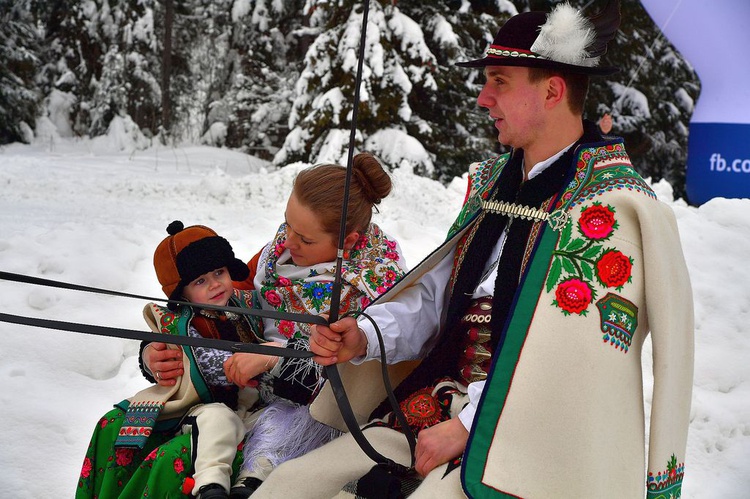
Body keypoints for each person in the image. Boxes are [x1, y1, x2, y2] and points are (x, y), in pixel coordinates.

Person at [254, 2, 694, 498]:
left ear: (551, 90)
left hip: (528, 444)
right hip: (436, 407)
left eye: (500, 81)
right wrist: (365, 336)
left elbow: (571, 367)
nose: (484, 98)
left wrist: (469, 425)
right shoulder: (491, 187)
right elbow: (439, 302)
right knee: (290, 485)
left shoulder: (612, 209)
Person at [76, 153, 408, 498]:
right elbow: (221, 307)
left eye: (305, 239)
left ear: (349, 242)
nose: (288, 242)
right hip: (238, 396)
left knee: (175, 459)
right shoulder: (280, 253)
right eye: (287, 224)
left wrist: (272, 359)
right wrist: (156, 354)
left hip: (309, 418)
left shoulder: (377, 291)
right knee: (114, 427)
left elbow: (360, 387)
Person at [77, 221, 267, 499]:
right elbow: (207, 363)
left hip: (254, 405)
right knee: (219, 419)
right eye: (200, 281)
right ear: (182, 293)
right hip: (201, 408)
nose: (215, 284)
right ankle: (211, 487)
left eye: (219, 272)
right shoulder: (182, 322)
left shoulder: (246, 303)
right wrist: (148, 355)